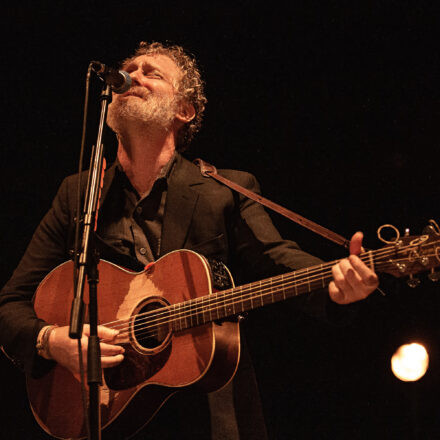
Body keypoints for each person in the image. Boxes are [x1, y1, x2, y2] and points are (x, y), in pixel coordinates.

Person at [0, 42, 379, 439]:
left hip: (210, 412)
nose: (134, 75)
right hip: (107, 415)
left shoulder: (225, 190)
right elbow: (12, 304)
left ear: (184, 111)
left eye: (152, 73)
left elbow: (278, 257)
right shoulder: (78, 194)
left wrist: (336, 285)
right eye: (130, 68)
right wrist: (51, 340)